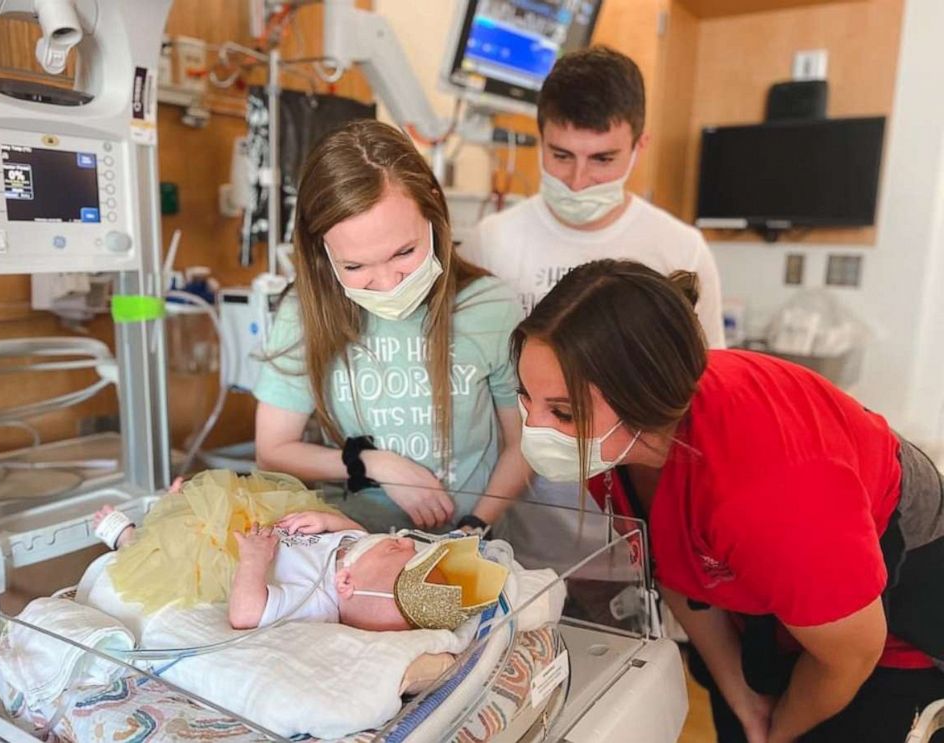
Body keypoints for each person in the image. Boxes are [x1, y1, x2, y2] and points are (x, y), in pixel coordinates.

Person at [513, 259, 944, 743]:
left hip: (884, 599)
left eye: (563, 413)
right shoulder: (612, 450)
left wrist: (778, 731)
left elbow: (851, 654)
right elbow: (674, 567)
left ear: (645, 399)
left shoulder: (772, 492)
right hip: (782, 577)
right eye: (525, 398)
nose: (533, 430)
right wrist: (744, 700)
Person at [461, 45, 726, 568]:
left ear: (638, 146)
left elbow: (706, 394)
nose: (578, 181)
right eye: (561, 156)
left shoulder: (678, 250)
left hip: (643, 531)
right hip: (523, 530)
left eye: (602, 159)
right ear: (540, 139)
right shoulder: (491, 243)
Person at [254, 120, 528, 534]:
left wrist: (474, 527)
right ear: (322, 252)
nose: (386, 282)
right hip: (358, 542)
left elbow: (522, 444)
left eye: (404, 252)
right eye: (355, 266)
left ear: (433, 212)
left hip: (473, 540)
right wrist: (373, 463)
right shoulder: (306, 312)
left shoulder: (488, 306)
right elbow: (272, 451)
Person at [95, 504, 432, 632]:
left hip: (230, 559)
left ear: (345, 582)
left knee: (172, 559)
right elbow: (355, 530)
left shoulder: (314, 602)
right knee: (206, 509)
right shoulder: (354, 549)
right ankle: (171, 508)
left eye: (395, 546)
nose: (404, 539)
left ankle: (128, 539)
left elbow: (246, 614)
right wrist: (329, 519)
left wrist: (254, 562)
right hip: (251, 524)